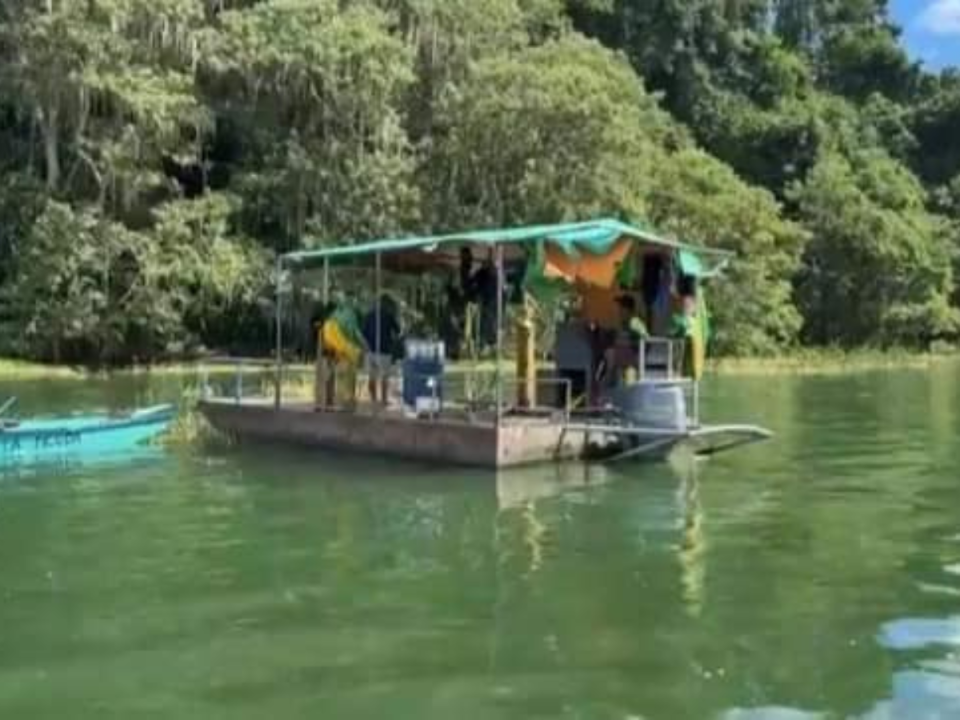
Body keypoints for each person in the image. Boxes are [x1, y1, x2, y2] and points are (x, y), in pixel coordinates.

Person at [361, 294, 402, 405]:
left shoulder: (369, 315)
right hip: (385, 349)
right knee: (384, 376)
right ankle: (383, 399)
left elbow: (363, 333)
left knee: (372, 376)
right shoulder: (389, 316)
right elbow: (398, 331)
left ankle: (374, 399)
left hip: (371, 349)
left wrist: (365, 347)